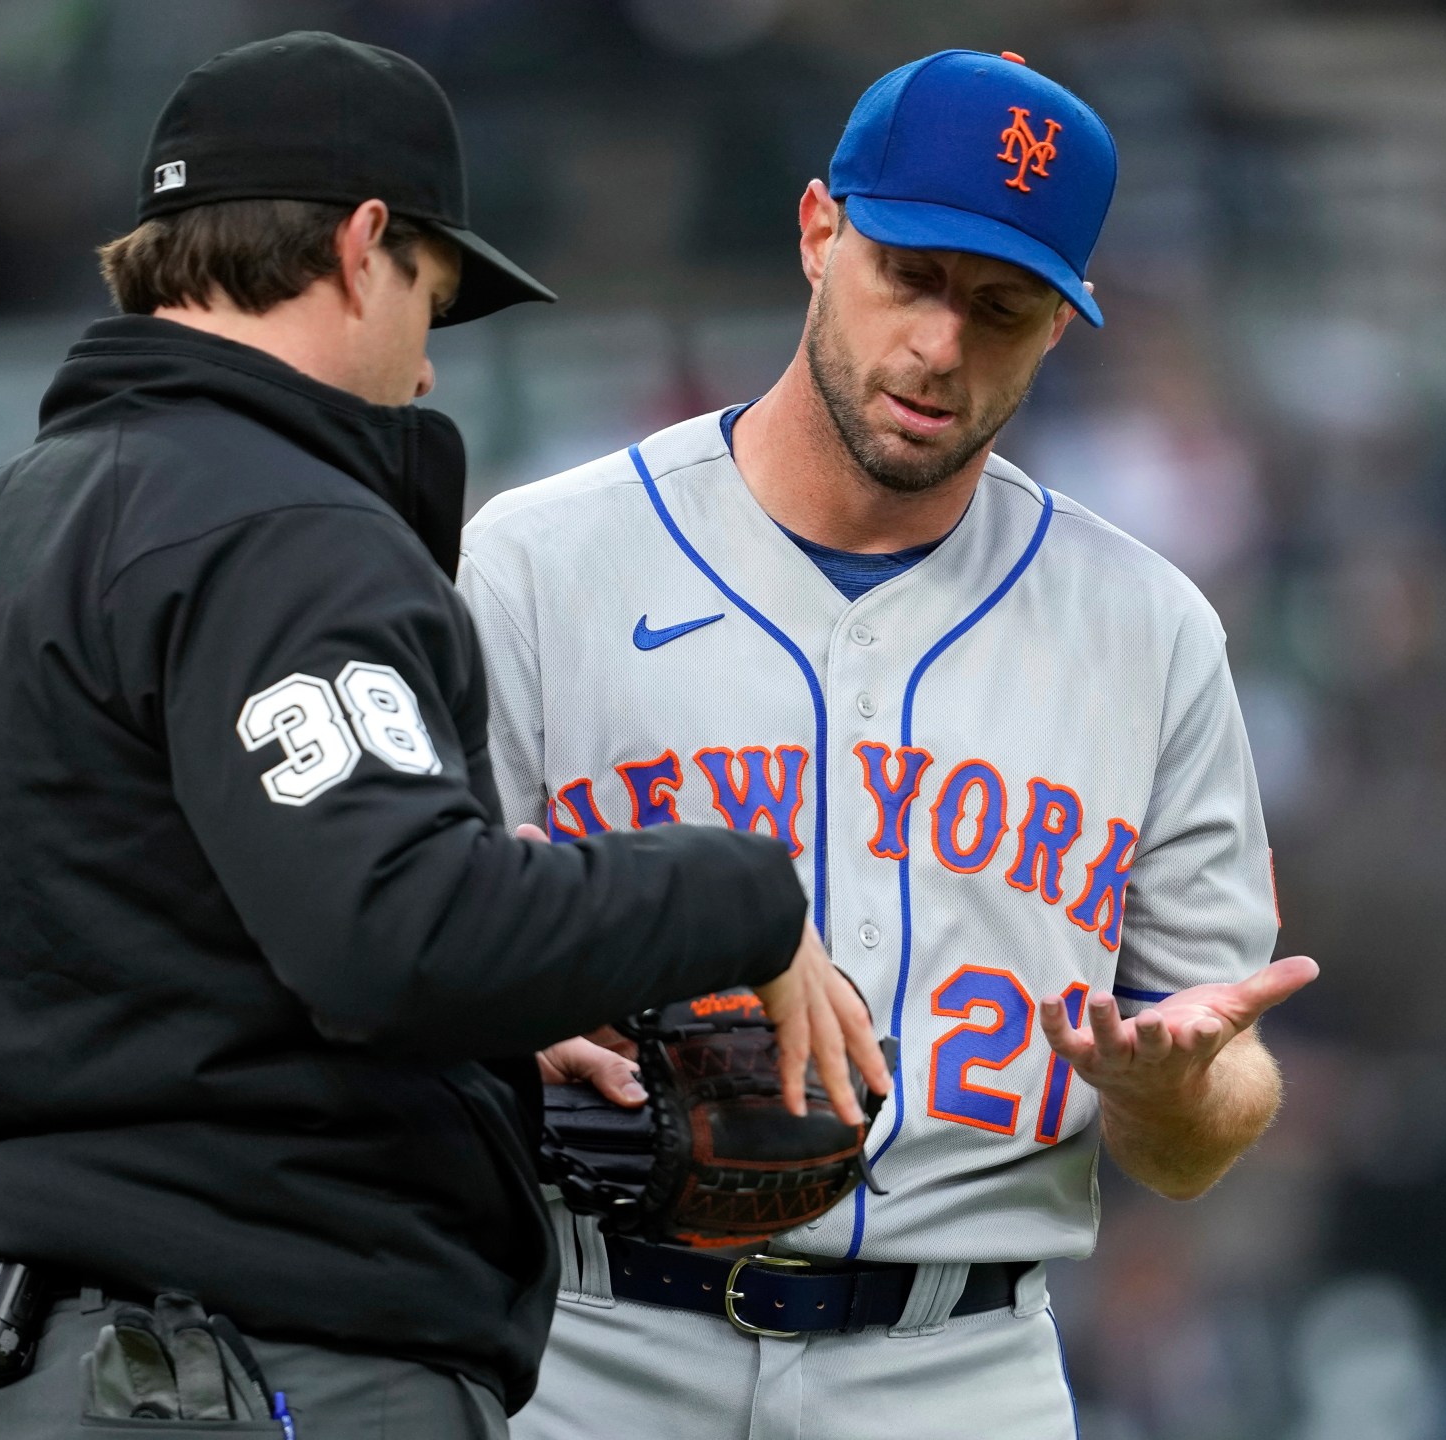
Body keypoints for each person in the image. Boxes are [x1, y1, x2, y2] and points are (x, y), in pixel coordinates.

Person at [0, 32, 886, 1440]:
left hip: (24, 1374)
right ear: (361, 245)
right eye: (431, 306)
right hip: (268, 1370)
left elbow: (183, 953)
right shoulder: (285, 527)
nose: (430, 374)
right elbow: (395, 933)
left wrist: (503, 1029)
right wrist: (739, 896)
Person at [458, 49, 1319, 1438]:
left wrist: (1179, 1092)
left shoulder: (1149, 630)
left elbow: (1202, 1126)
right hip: (592, 1341)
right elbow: (392, 954)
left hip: (955, 1367)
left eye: (1002, 305)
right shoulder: (540, 564)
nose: (941, 345)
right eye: (910, 275)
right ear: (818, 232)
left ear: (1056, 328)